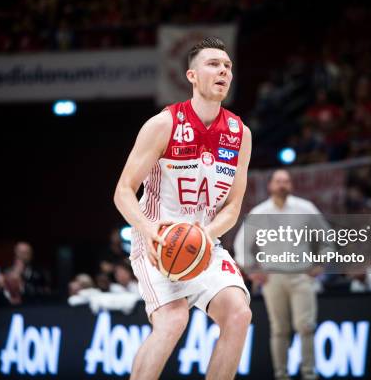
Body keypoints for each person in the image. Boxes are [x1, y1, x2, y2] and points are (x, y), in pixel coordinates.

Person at [114, 36, 252, 380]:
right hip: (157, 243)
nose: (223, 70)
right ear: (192, 76)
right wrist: (151, 233)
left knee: (239, 314)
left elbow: (233, 207)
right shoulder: (164, 124)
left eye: (228, 66)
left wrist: (203, 236)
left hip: (203, 240)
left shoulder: (240, 133)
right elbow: (123, 191)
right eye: (213, 64)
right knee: (174, 319)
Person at [234, 169, 328, 380]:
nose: (282, 185)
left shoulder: (305, 208)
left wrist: (321, 262)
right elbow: (241, 245)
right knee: (279, 329)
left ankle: (309, 373)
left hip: (301, 275)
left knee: (306, 326)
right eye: (278, 181)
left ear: (291, 185)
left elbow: (326, 238)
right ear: (271, 186)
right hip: (272, 278)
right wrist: (251, 270)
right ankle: (281, 374)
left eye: (286, 181)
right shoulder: (259, 213)